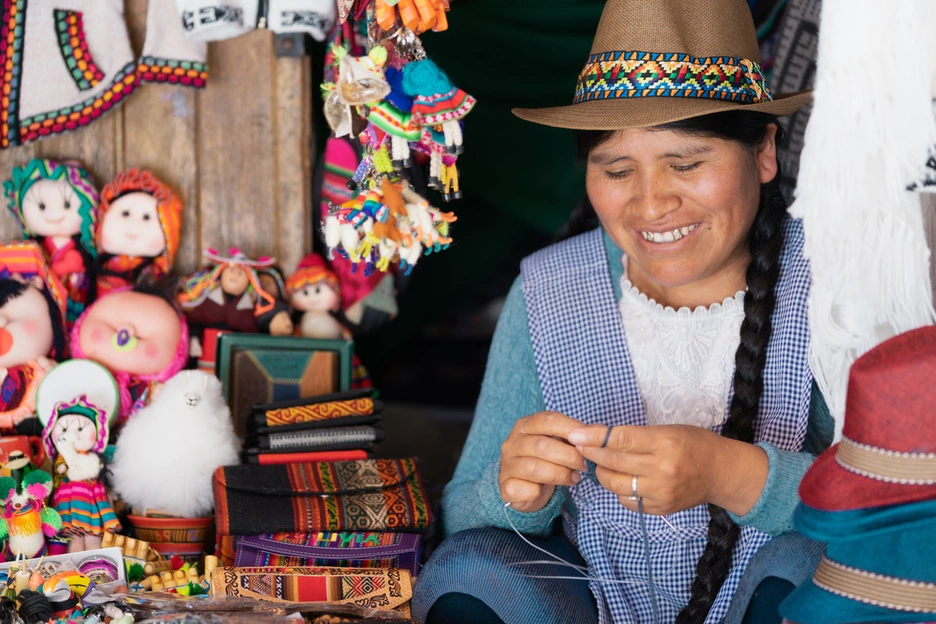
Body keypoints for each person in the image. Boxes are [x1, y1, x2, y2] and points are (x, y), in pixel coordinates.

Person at [411, 0, 835, 622]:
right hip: (595, 602)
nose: (651, 203)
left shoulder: (830, 286)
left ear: (764, 152)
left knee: (818, 569)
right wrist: (516, 494)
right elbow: (462, 519)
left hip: (766, 602)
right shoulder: (551, 293)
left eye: (686, 164)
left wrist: (731, 474)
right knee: (469, 568)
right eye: (615, 169)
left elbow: (901, 506)